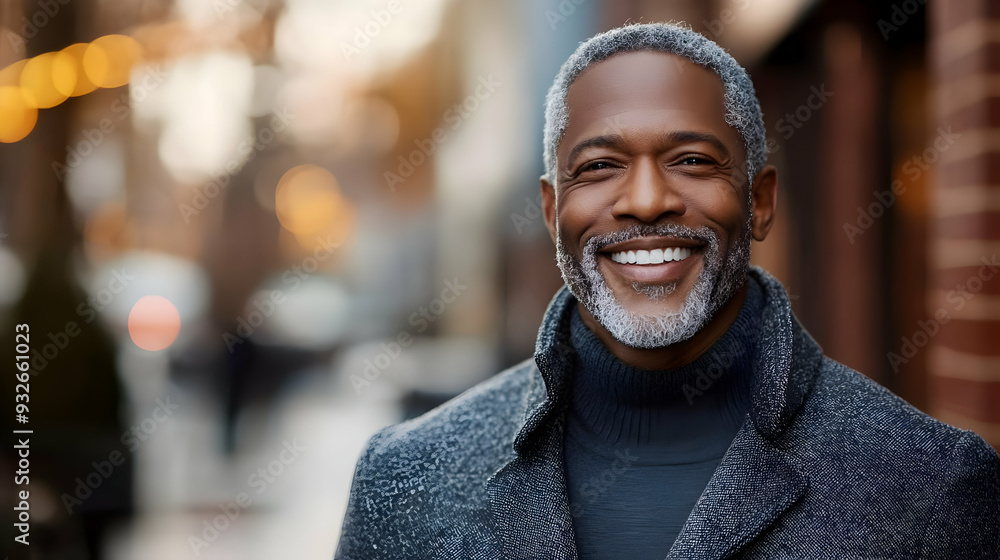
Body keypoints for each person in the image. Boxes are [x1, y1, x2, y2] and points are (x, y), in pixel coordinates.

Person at [335, 22, 1000, 559]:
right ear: (550, 211)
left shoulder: (931, 488)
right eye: (600, 166)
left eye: (691, 161)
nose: (647, 201)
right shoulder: (404, 480)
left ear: (760, 201)